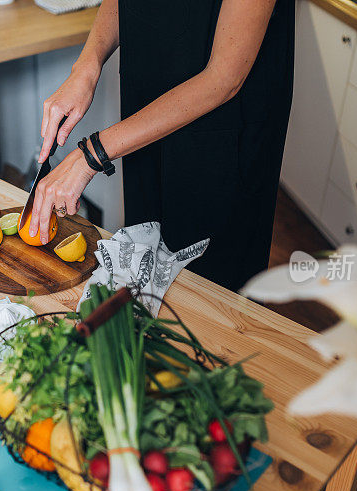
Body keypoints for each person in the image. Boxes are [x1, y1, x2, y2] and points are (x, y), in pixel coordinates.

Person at [27, 0, 294, 291]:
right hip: (145, 114)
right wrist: (87, 64)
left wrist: (92, 155)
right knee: (146, 261)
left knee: (208, 290)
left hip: (222, 135)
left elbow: (224, 79)